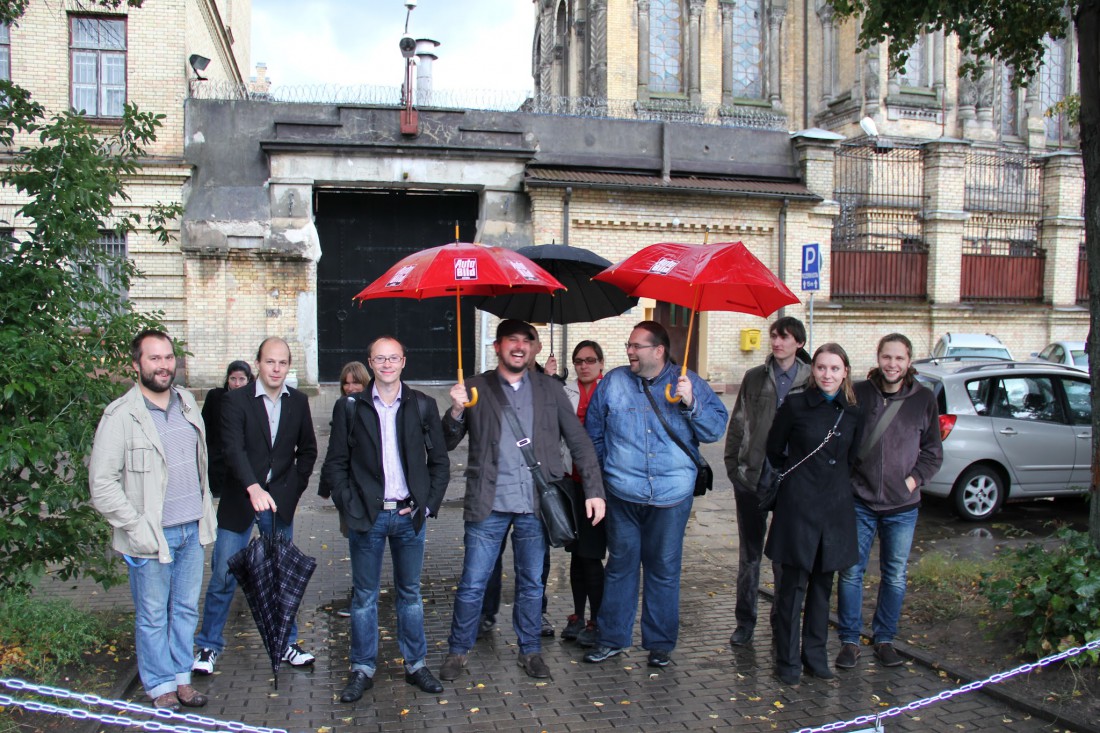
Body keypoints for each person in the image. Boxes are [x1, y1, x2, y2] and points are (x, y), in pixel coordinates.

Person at [438, 319, 605, 681]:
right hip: (487, 504)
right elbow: (445, 442)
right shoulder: (475, 387)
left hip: (535, 505)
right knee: (473, 583)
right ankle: (458, 651)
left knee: (531, 583)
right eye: (510, 340)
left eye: (526, 340)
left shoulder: (551, 389)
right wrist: (456, 410)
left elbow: (579, 441)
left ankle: (530, 651)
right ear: (497, 347)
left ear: (535, 348)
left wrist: (594, 491)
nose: (518, 346)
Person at [583, 321, 728, 668]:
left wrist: (691, 402)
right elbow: (594, 433)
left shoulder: (687, 382)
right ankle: (612, 639)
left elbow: (715, 429)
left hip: (671, 496)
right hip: (623, 494)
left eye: (637, 346)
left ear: (659, 350)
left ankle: (660, 643)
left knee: (663, 569)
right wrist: (603, 479)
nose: (629, 351)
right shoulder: (614, 382)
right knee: (620, 567)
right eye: (628, 345)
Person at [89, 329, 216, 710]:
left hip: (192, 529)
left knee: (185, 611)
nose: (163, 365)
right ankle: (160, 685)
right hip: (151, 536)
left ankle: (181, 679)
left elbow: (200, 466)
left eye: (168, 357)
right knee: (152, 615)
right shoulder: (120, 416)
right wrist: (136, 525)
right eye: (154, 358)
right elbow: (102, 484)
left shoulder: (187, 403)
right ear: (136, 365)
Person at [319, 337, 450, 703]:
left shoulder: (423, 405)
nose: (387, 364)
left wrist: (427, 506)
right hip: (368, 517)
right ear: (370, 363)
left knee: (410, 594)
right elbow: (335, 463)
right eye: (380, 358)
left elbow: (440, 463)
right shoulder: (350, 407)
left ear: (404, 362)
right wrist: (350, 504)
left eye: (393, 358)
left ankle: (416, 665)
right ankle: (362, 668)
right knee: (364, 596)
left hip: (409, 516)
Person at [192, 337, 318, 676]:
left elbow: (308, 450)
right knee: (223, 574)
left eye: (282, 362)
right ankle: (208, 646)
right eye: (269, 362)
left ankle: (286, 643)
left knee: (280, 576)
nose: (276, 369)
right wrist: (252, 487)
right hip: (240, 500)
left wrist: (293, 489)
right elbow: (232, 448)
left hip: (278, 504)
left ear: (288, 366)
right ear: (258, 363)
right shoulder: (235, 400)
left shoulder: (299, 402)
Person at [835, 333, 943, 670]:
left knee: (894, 575)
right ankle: (849, 641)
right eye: (887, 357)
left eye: (899, 358)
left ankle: (884, 640)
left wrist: (911, 481)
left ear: (909, 361)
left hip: (902, 507)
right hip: (860, 502)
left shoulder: (923, 399)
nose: (892, 364)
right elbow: (842, 439)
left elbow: (933, 452)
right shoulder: (859, 393)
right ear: (878, 358)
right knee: (851, 572)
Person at [764, 342, 862, 686]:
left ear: (845, 372)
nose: (827, 374)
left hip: (834, 510)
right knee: (792, 589)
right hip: (798, 508)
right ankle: (787, 660)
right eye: (821, 367)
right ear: (813, 370)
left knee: (823, 587)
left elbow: (853, 458)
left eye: (834, 368)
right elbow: (774, 449)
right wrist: (801, 480)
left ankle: (815, 657)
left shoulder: (852, 411)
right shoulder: (795, 405)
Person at [723, 317, 811, 648]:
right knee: (750, 556)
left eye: (785, 337)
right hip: (753, 476)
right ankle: (744, 621)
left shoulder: (810, 379)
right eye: (774, 336)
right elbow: (738, 422)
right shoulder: (755, 377)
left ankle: (781, 622)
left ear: (799, 343)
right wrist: (733, 466)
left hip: (792, 480)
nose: (777, 342)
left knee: (784, 557)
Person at [560, 340, 607, 647]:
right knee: (576, 554)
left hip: (598, 487)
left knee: (590, 555)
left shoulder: (609, 391)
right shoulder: (565, 392)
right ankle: (577, 615)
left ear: (601, 363)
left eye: (590, 360)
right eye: (578, 361)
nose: (584, 366)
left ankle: (596, 620)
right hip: (571, 483)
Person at [201, 361, 253, 498]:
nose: (237, 384)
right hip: (217, 461)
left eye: (242, 379)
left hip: (244, 461)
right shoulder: (215, 396)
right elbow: (205, 425)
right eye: (233, 379)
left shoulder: (254, 400)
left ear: (248, 380)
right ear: (227, 379)